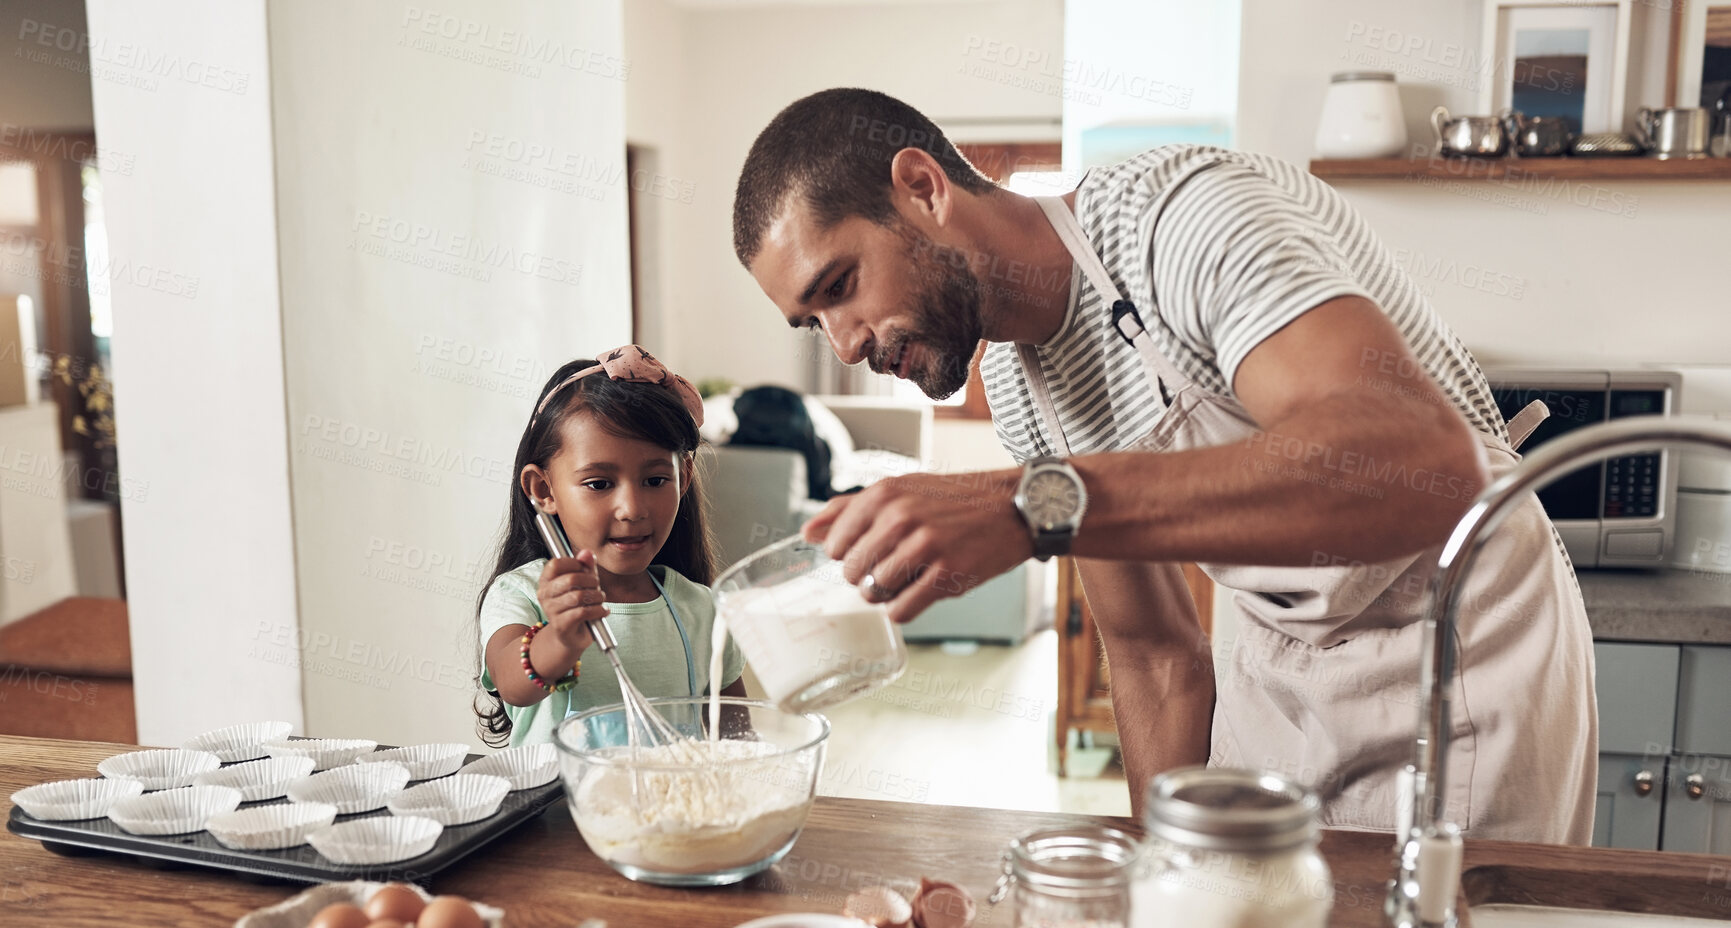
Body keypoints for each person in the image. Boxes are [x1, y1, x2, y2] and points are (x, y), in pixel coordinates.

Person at [731, 89, 1596, 844]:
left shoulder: (1180, 220)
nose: (845, 347)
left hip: (1459, 644)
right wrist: (1157, 878)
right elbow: (1153, 657)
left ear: (922, 189)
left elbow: (1420, 470)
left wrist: (1036, 503)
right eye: (813, 324)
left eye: (838, 286)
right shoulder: (1020, 386)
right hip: (1278, 661)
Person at [476, 345, 746, 747]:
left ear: (684, 476)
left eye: (655, 480)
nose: (632, 509)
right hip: (560, 810)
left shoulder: (703, 610)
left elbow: (738, 737)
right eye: (599, 484)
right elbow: (513, 683)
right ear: (543, 489)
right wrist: (561, 639)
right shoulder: (521, 595)